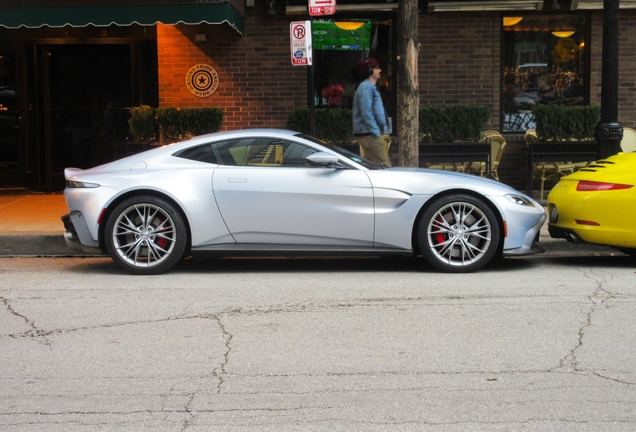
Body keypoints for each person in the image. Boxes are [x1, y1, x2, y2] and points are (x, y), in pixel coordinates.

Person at [352, 57, 392, 167]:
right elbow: (366, 113)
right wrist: (376, 131)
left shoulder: (369, 87)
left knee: (376, 169)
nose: (380, 70)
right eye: (377, 68)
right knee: (385, 168)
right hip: (369, 135)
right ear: (369, 71)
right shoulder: (366, 87)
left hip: (369, 134)